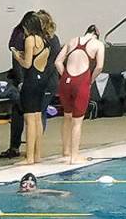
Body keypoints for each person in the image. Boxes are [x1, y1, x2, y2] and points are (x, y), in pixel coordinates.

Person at [54, 24, 103, 163]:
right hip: (81, 82)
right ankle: (74, 156)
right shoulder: (98, 44)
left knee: (67, 116)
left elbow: (57, 62)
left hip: (66, 81)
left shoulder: (72, 40)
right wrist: (90, 80)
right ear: (96, 35)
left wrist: (65, 77)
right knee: (77, 121)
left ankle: (65, 150)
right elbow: (99, 66)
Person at [10, 12, 49, 164]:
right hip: (41, 80)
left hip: (30, 81)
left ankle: (29, 157)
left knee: (29, 119)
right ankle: (37, 155)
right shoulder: (44, 40)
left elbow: (26, 64)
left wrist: (17, 56)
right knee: (38, 118)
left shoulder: (30, 39)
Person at [0, 11, 34, 159]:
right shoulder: (23, 37)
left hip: (20, 78)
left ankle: (15, 146)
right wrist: (21, 81)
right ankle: (30, 147)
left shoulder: (17, 34)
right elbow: (19, 62)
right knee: (28, 116)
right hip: (24, 79)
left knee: (19, 114)